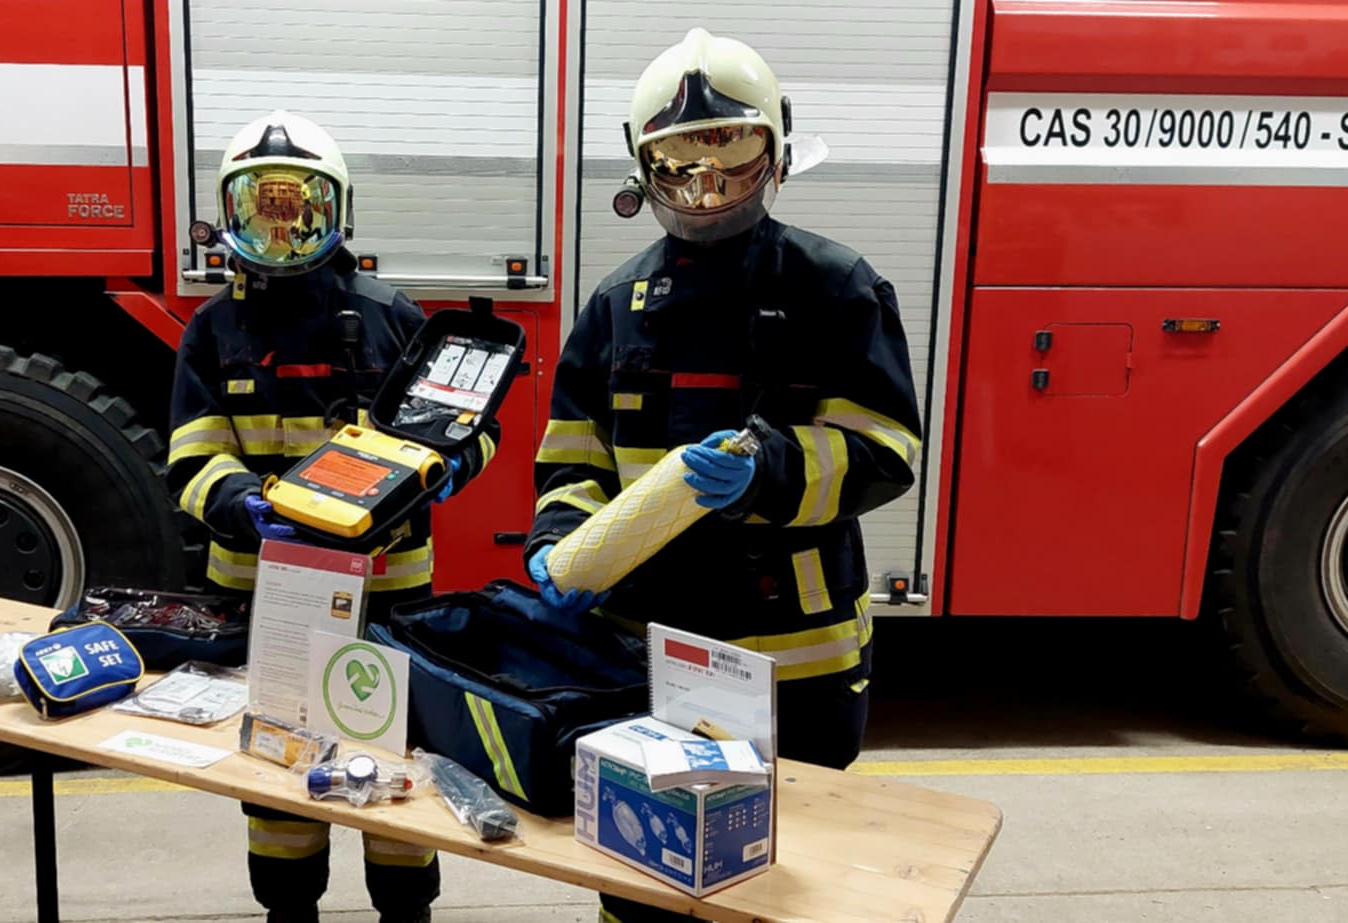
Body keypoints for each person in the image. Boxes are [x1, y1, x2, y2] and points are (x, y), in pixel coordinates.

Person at [523, 30, 923, 923]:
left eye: (731, 155)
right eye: (679, 163)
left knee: (786, 883)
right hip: (647, 653)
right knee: (639, 873)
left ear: (775, 154)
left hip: (796, 668)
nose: (706, 188)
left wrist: (769, 472)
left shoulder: (835, 288)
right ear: (642, 168)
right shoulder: (615, 306)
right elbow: (573, 456)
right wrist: (562, 540)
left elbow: (888, 447)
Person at [166, 111, 498, 923]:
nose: (280, 228)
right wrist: (244, 507)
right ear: (231, 213)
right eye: (261, 207)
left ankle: (405, 911)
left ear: (335, 210)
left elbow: (475, 427)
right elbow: (192, 458)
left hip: (388, 598)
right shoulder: (213, 331)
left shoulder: (392, 317)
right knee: (278, 778)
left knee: (395, 768)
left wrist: (450, 467)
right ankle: (289, 911)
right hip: (268, 596)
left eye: (297, 207)